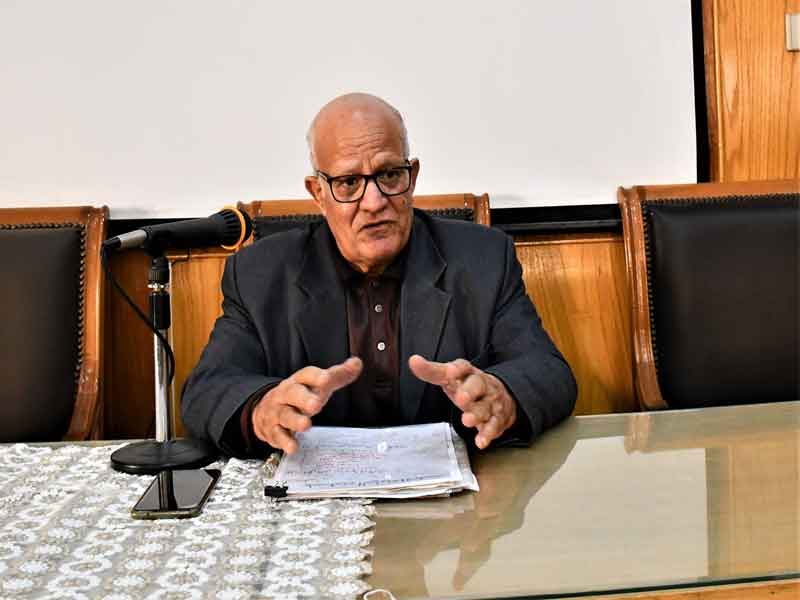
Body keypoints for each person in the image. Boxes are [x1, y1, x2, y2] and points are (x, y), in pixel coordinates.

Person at [181, 93, 576, 457]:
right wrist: (261, 409)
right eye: (349, 182)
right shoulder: (259, 275)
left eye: (389, 175)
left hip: (453, 512)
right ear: (317, 193)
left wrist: (502, 397)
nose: (374, 202)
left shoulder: (483, 260)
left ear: (413, 177)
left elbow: (547, 371)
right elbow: (207, 391)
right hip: (319, 514)